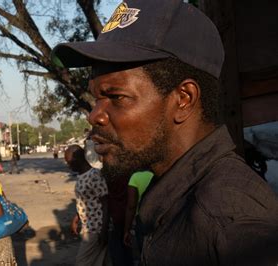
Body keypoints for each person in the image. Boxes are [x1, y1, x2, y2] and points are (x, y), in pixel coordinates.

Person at [52, 0, 278, 264]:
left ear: (183, 98)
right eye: (96, 99)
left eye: (116, 97)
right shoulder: (174, 192)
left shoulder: (228, 221)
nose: (94, 115)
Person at [65, 145, 109, 266]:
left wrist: (104, 230)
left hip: (96, 228)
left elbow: (106, 203)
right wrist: (76, 217)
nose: (68, 166)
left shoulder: (95, 176)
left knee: (82, 262)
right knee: (98, 261)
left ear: (79, 160)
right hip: (87, 226)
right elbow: (84, 200)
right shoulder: (81, 176)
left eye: (70, 163)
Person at [123, 171, 154, 252]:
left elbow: (131, 206)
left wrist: (127, 230)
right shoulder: (156, 174)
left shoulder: (135, 177)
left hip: (142, 219)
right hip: (159, 216)